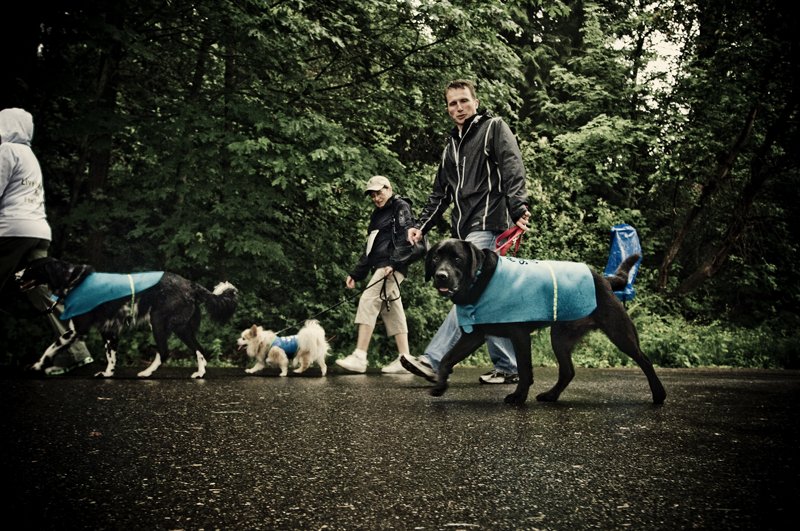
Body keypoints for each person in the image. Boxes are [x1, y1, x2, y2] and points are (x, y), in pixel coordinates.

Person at [403, 79, 531, 385]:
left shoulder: (493, 128)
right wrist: (421, 225)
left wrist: (518, 208)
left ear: (475, 102)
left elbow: (512, 166)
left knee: (467, 290)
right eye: (452, 103)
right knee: (487, 296)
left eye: (464, 101)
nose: (459, 108)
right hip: (463, 228)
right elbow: (440, 194)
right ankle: (509, 366)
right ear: (447, 109)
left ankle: (434, 360)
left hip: (490, 222)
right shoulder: (451, 146)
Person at [0, 108, 93, 374]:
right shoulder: (30, 156)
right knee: (41, 289)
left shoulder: (7, 151)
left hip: (11, 230)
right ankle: (76, 352)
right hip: (38, 231)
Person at [335, 176, 416, 374]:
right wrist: (357, 273)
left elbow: (407, 235)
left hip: (391, 265)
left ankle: (359, 357)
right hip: (381, 265)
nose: (376, 197)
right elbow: (370, 247)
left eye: (379, 192)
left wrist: (395, 263)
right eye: (372, 194)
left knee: (368, 299)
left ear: (389, 189)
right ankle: (404, 359)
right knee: (392, 309)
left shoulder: (400, 206)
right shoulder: (377, 215)